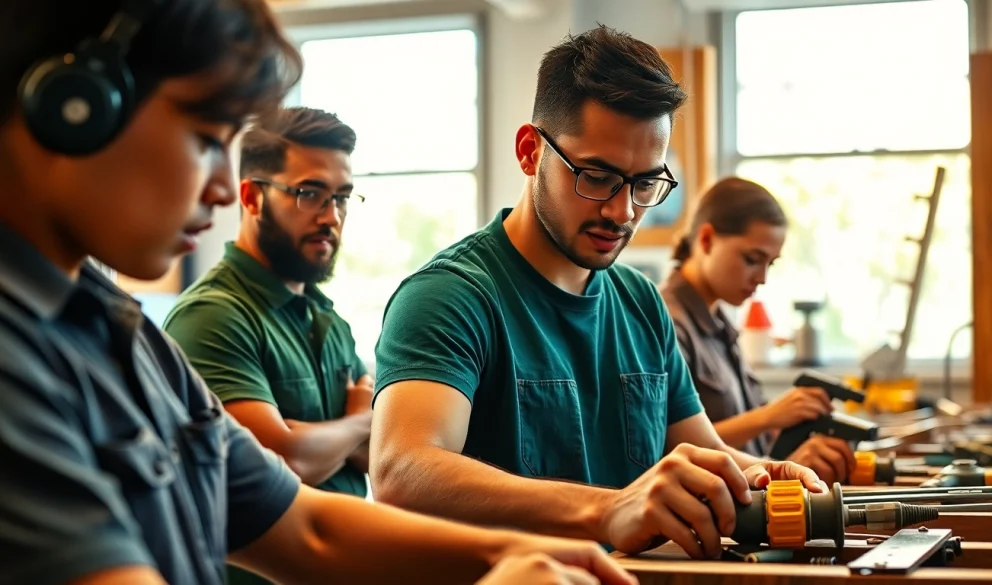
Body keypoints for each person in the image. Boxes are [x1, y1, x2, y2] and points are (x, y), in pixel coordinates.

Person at [0, 2, 640, 584]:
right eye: (205, 138)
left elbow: (309, 527)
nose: (225, 189)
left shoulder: (127, 338)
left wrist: (519, 554)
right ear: (74, 106)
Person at [369, 25, 823, 562]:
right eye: (597, 176)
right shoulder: (451, 297)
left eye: (644, 183)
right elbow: (402, 469)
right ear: (529, 151)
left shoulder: (641, 302)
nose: (622, 211)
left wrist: (759, 475)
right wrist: (607, 510)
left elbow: (701, 448)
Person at [163, 107, 374, 585]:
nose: (331, 217)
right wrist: (357, 420)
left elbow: (375, 457)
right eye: (309, 194)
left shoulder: (330, 319)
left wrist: (324, 439)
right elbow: (283, 463)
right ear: (251, 198)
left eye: (342, 197)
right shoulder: (213, 316)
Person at [657, 177, 857, 486]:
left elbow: (748, 440)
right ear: (707, 239)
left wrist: (792, 451)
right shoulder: (665, 322)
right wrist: (770, 416)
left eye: (770, 264)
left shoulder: (722, 325)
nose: (761, 278)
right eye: (752, 259)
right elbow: (669, 445)